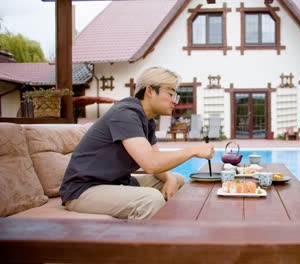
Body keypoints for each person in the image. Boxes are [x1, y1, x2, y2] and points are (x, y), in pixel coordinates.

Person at [60, 67, 214, 219]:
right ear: (149, 91)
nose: (175, 101)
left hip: (115, 183)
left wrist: (169, 178)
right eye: (171, 94)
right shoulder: (125, 114)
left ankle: (167, 229)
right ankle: (141, 241)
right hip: (84, 190)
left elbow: (156, 161)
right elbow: (151, 164)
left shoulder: (147, 119)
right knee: (150, 199)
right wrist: (193, 150)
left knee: (178, 179)